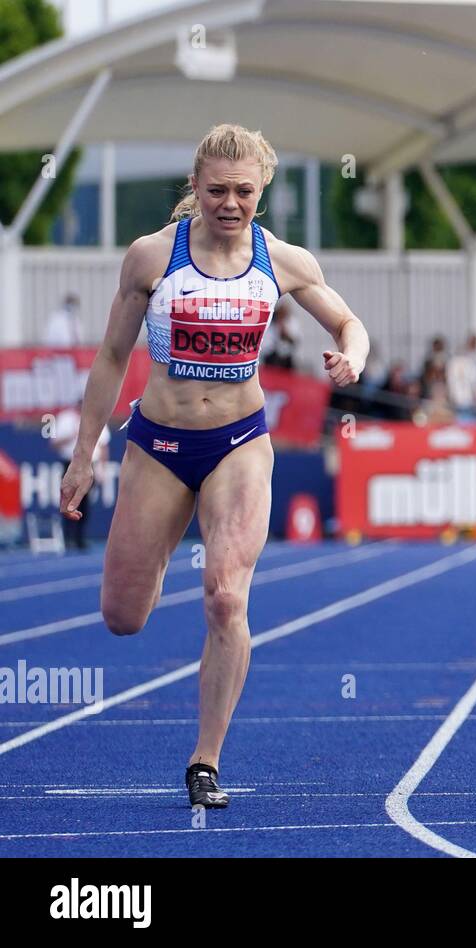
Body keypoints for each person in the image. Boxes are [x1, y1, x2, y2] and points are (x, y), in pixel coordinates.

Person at [58, 124, 369, 807]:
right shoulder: (150, 258)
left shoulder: (282, 260)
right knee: (122, 616)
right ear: (194, 187)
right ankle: (162, 542)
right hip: (160, 445)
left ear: (263, 190)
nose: (230, 204)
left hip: (239, 444)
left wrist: (355, 354)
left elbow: (350, 323)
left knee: (227, 595)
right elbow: (112, 357)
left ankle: (205, 760)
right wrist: (86, 452)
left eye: (245, 192)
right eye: (217, 190)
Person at [51, 399, 108, 550]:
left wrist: (102, 468)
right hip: (69, 464)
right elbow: (54, 442)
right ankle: (68, 537)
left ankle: (80, 537)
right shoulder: (65, 419)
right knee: (67, 499)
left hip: (90, 464)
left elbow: (103, 446)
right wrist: (72, 435)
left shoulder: (97, 417)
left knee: (85, 501)